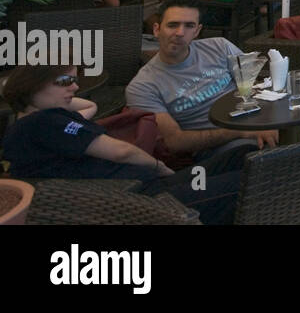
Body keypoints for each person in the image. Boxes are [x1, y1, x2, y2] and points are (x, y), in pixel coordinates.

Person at [0, 63, 246, 225]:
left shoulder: (39, 123)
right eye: (65, 81)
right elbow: (121, 151)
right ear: (33, 86)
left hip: (148, 185)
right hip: (146, 201)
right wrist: (159, 165)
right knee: (245, 182)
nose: (75, 87)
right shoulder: (45, 123)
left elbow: (89, 107)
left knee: (241, 154)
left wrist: (53, 96)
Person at [125, 0, 279, 156]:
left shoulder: (220, 46)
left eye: (189, 26)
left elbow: (255, 84)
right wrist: (240, 132)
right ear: (157, 29)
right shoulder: (142, 86)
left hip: (253, 120)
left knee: (292, 129)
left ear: (197, 31)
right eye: (172, 25)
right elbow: (175, 141)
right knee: (260, 152)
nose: (180, 33)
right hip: (217, 144)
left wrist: (268, 119)